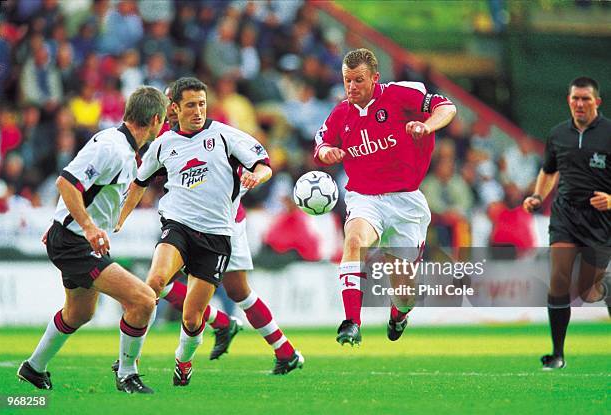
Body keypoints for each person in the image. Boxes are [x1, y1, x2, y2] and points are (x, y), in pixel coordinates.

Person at [126, 83, 303, 374]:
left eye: (200, 104)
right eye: (185, 104)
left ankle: (281, 349)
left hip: (226, 225)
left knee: (238, 291)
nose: (189, 110)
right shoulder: (166, 142)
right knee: (158, 281)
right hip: (184, 225)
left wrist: (256, 176)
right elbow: (142, 179)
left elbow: (262, 162)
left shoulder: (219, 133)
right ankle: (222, 325)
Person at [17, 86, 168, 393]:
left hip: (72, 238)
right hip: (74, 242)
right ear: (155, 120)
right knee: (142, 300)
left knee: (79, 313)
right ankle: (127, 375)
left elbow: (86, 191)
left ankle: (33, 368)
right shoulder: (111, 148)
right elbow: (67, 182)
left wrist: (81, 222)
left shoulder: (125, 150)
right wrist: (86, 227)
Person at [314, 48, 456, 345]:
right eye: (347, 80)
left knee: (405, 294)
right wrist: (328, 152)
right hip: (365, 198)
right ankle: (351, 321)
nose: (351, 87)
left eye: (359, 80)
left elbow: (448, 108)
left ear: (375, 78)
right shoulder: (342, 113)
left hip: (406, 202)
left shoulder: (400, 96)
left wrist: (425, 125)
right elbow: (322, 143)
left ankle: (398, 315)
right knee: (353, 242)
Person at [523, 77, 611, 370]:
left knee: (588, 290)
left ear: (597, 102)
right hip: (565, 215)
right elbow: (549, 171)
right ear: (568, 100)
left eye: (586, 99)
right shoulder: (558, 134)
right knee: (558, 278)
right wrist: (537, 195)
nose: (580, 104)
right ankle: (557, 353)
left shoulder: (609, 133)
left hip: (600, 221)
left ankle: (604, 287)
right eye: (575, 98)